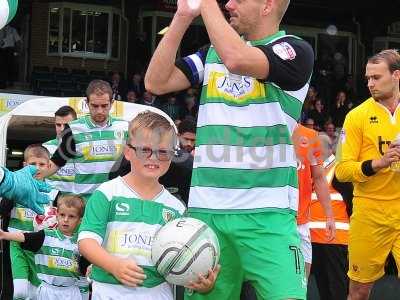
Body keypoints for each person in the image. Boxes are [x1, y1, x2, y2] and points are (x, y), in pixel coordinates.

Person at [145, 0, 314, 299]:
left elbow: (237, 59)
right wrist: (183, 16)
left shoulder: (295, 50)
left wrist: (206, 2)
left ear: (267, 6)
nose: (229, 4)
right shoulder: (211, 54)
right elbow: (156, 82)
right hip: (207, 215)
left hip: (267, 216)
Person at [78, 111, 218, 299]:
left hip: (157, 293)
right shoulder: (107, 193)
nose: (153, 158)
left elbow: (184, 265)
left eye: (162, 152)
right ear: (128, 151)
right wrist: (113, 265)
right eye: (145, 150)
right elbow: (86, 242)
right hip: (109, 292)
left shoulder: (176, 208)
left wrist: (202, 285)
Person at [335, 49, 400, 300]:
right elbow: (341, 170)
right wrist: (378, 163)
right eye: (368, 78)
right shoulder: (355, 117)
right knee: (359, 292)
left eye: (376, 77)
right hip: (370, 213)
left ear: (396, 76)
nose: (370, 84)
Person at [37, 80, 129, 200]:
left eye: (104, 106)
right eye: (95, 106)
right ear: (87, 103)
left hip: (113, 201)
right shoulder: (73, 129)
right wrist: (31, 178)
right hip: (83, 202)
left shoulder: (125, 127)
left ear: (112, 103)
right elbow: (56, 162)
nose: (100, 111)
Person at [0, 194, 88, 300]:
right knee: (20, 292)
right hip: (47, 292)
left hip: (71, 293)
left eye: (71, 216)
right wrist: (5, 235)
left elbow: (85, 271)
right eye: (62, 215)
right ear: (56, 215)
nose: (65, 219)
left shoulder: (82, 243)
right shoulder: (45, 235)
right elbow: (25, 237)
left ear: (80, 220)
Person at [1, 144, 55, 299]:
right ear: (25, 165)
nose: (37, 168)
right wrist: (12, 194)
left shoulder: (54, 192)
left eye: (42, 164)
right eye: (32, 164)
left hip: (40, 246)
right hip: (16, 243)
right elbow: (2, 211)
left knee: (36, 291)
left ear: (49, 165)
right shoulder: (15, 188)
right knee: (19, 292)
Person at [292, 124, 335, 278]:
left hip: (301, 223)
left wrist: (329, 215)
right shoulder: (266, 130)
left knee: (302, 282)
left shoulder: (310, 136)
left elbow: (319, 178)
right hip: (272, 222)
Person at [309, 154, 350, 300]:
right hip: (315, 239)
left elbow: (351, 204)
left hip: (336, 240)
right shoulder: (319, 170)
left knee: (338, 288)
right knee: (324, 287)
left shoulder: (338, 169)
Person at [43, 105, 78, 195]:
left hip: (76, 203)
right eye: (58, 125)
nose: (62, 129)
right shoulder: (45, 147)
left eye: (67, 125)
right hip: (51, 203)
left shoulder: (84, 146)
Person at [0, 24, 21, 88]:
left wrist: (17, 51)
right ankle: (2, 83)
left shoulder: (12, 30)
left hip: (9, 50)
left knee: (9, 66)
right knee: (1, 67)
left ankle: (10, 82)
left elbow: (18, 41)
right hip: (1, 50)